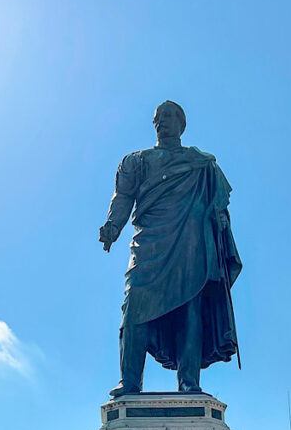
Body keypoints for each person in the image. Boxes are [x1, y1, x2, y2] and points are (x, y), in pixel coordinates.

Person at [100, 101, 242, 397]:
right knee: (134, 305)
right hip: (150, 243)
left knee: (190, 308)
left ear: (182, 124)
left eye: (168, 117)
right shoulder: (136, 161)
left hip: (190, 244)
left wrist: (220, 218)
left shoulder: (202, 163)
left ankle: (189, 381)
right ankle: (130, 382)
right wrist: (113, 226)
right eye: (157, 119)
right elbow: (123, 197)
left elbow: (220, 202)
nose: (161, 122)